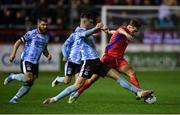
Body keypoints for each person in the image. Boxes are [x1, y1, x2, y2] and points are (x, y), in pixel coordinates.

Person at [43, 13, 153, 104]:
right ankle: (54, 99)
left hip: (97, 61)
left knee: (119, 78)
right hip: (89, 63)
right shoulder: (79, 32)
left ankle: (139, 92)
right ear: (84, 21)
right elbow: (85, 34)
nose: (91, 23)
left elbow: (96, 33)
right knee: (77, 85)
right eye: (90, 22)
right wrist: (97, 28)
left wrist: (105, 30)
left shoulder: (87, 31)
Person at [68, 19, 143, 103]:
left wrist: (109, 32)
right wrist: (126, 34)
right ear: (130, 27)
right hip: (108, 58)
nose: (134, 33)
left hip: (119, 60)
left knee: (132, 73)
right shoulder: (124, 29)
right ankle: (76, 93)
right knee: (92, 79)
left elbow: (115, 32)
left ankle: (139, 92)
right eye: (134, 30)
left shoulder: (126, 32)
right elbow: (120, 30)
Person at [3, 17, 52, 103]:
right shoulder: (31, 33)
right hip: (27, 60)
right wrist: (13, 54)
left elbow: (44, 50)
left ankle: (15, 98)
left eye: (46, 25)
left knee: (30, 83)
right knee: (28, 78)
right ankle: (12, 76)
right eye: (43, 24)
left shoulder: (46, 37)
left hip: (35, 63)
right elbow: (18, 42)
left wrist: (48, 55)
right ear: (38, 24)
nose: (45, 26)